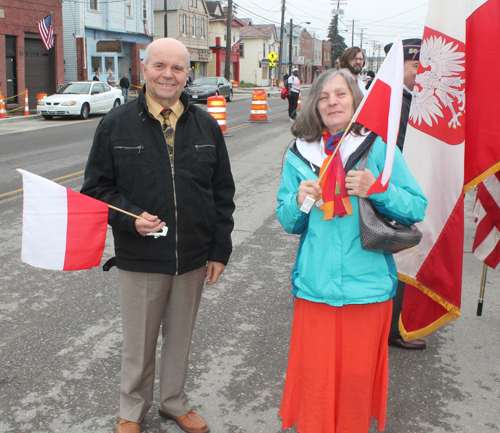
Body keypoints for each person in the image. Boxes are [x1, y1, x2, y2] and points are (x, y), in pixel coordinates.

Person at [81, 37, 236, 433]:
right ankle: (132, 411)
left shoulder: (206, 125)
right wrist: (131, 218)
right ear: (145, 69)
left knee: (180, 339)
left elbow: (222, 194)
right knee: (139, 343)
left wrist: (219, 251)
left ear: (188, 74)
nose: (168, 74)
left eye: (178, 68)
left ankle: (173, 402)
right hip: (141, 256)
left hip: (192, 256)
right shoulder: (115, 124)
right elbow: (96, 191)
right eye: (159, 66)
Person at [276, 69, 427, 432]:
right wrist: (299, 201)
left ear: (355, 100)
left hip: (368, 289)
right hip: (315, 290)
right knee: (316, 381)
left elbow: (416, 207)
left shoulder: (377, 148)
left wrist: (378, 188)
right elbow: (287, 220)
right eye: (324, 96)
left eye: (340, 94)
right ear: (315, 105)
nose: (332, 101)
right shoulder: (299, 155)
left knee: (355, 383)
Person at [383, 38, 426, 349]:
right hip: (394, 193)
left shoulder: (411, 98)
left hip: (407, 190)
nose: (422, 71)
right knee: (399, 259)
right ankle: (393, 328)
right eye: (417, 65)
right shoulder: (393, 101)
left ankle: (398, 322)